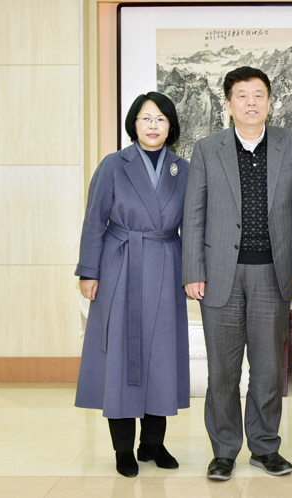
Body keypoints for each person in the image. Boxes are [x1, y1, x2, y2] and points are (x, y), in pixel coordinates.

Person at [181, 66, 292, 481]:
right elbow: (194, 214)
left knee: (268, 368)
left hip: (272, 275)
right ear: (229, 104)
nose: (251, 102)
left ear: (270, 101)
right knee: (222, 371)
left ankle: (264, 446)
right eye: (242, 95)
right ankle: (223, 451)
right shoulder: (208, 149)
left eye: (259, 94)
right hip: (219, 274)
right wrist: (193, 270)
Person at [75, 92, 190, 478]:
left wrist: (194, 273)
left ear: (171, 126)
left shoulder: (184, 169)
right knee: (121, 355)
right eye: (145, 118)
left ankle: (153, 444)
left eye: (160, 119)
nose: (153, 125)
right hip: (120, 265)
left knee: (161, 356)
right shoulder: (113, 164)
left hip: (166, 265)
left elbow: (194, 226)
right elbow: (94, 220)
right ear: (134, 124)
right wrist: (89, 271)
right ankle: (123, 448)